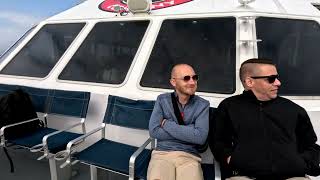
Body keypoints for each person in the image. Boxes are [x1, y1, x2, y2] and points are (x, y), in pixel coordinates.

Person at [210, 58, 320, 180]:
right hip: (244, 176)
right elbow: (218, 142)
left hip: (291, 176)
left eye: (277, 77)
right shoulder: (229, 107)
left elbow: (310, 145)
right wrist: (231, 160)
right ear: (249, 82)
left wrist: (301, 163)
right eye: (271, 79)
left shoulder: (293, 109)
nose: (278, 83)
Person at [147, 64, 210, 180]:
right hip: (162, 155)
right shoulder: (162, 100)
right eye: (186, 78)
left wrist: (166, 124)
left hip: (190, 157)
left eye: (194, 77)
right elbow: (154, 131)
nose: (192, 82)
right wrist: (190, 131)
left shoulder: (203, 105)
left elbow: (200, 137)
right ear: (173, 82)